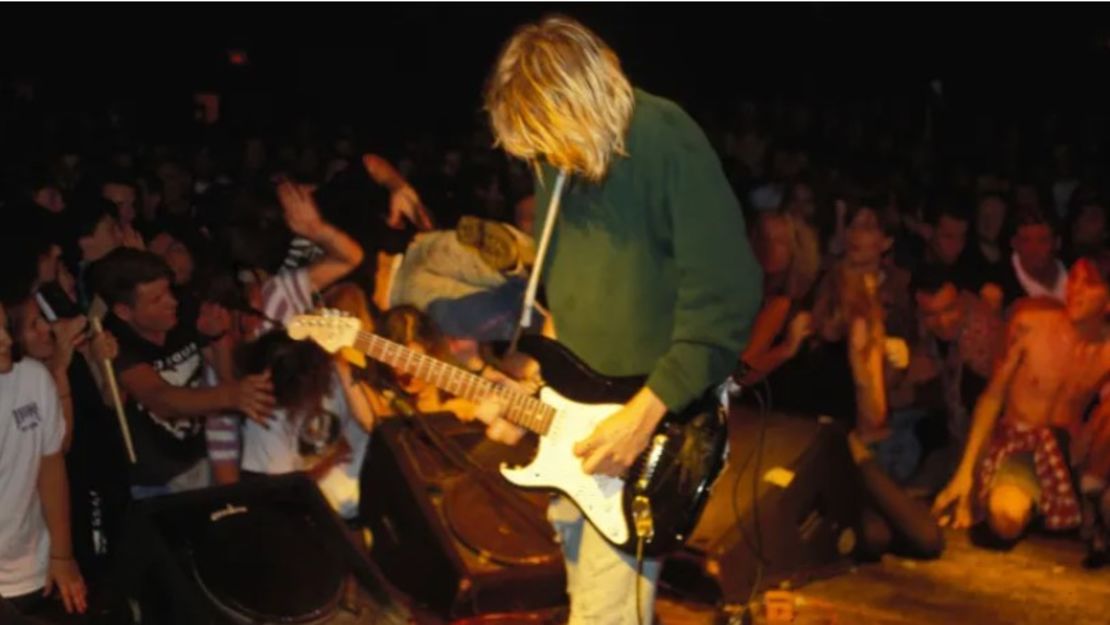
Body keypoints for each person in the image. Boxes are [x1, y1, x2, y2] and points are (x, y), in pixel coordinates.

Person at [479, 16, 761, 625]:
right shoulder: (557, 160)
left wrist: (646, 412)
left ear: (581, 99)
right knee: (597, 603)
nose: (549, 155)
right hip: (576, 420)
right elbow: (571, 298)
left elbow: (728, 294)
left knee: (604, 615)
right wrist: (528, 377)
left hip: (652, 422)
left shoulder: (666, 139)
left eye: (551, 137)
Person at [933, 259, 1110, 543]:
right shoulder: (1031, 321)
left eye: (1088, 285)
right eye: (1073, 280)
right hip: (1021, 445)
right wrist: (965, 473)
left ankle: (1092, 492)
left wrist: (1088, 444)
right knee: (1005, 518)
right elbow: (992, 396)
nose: (1074, 290)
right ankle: (1038, 503)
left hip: (1072, 455)